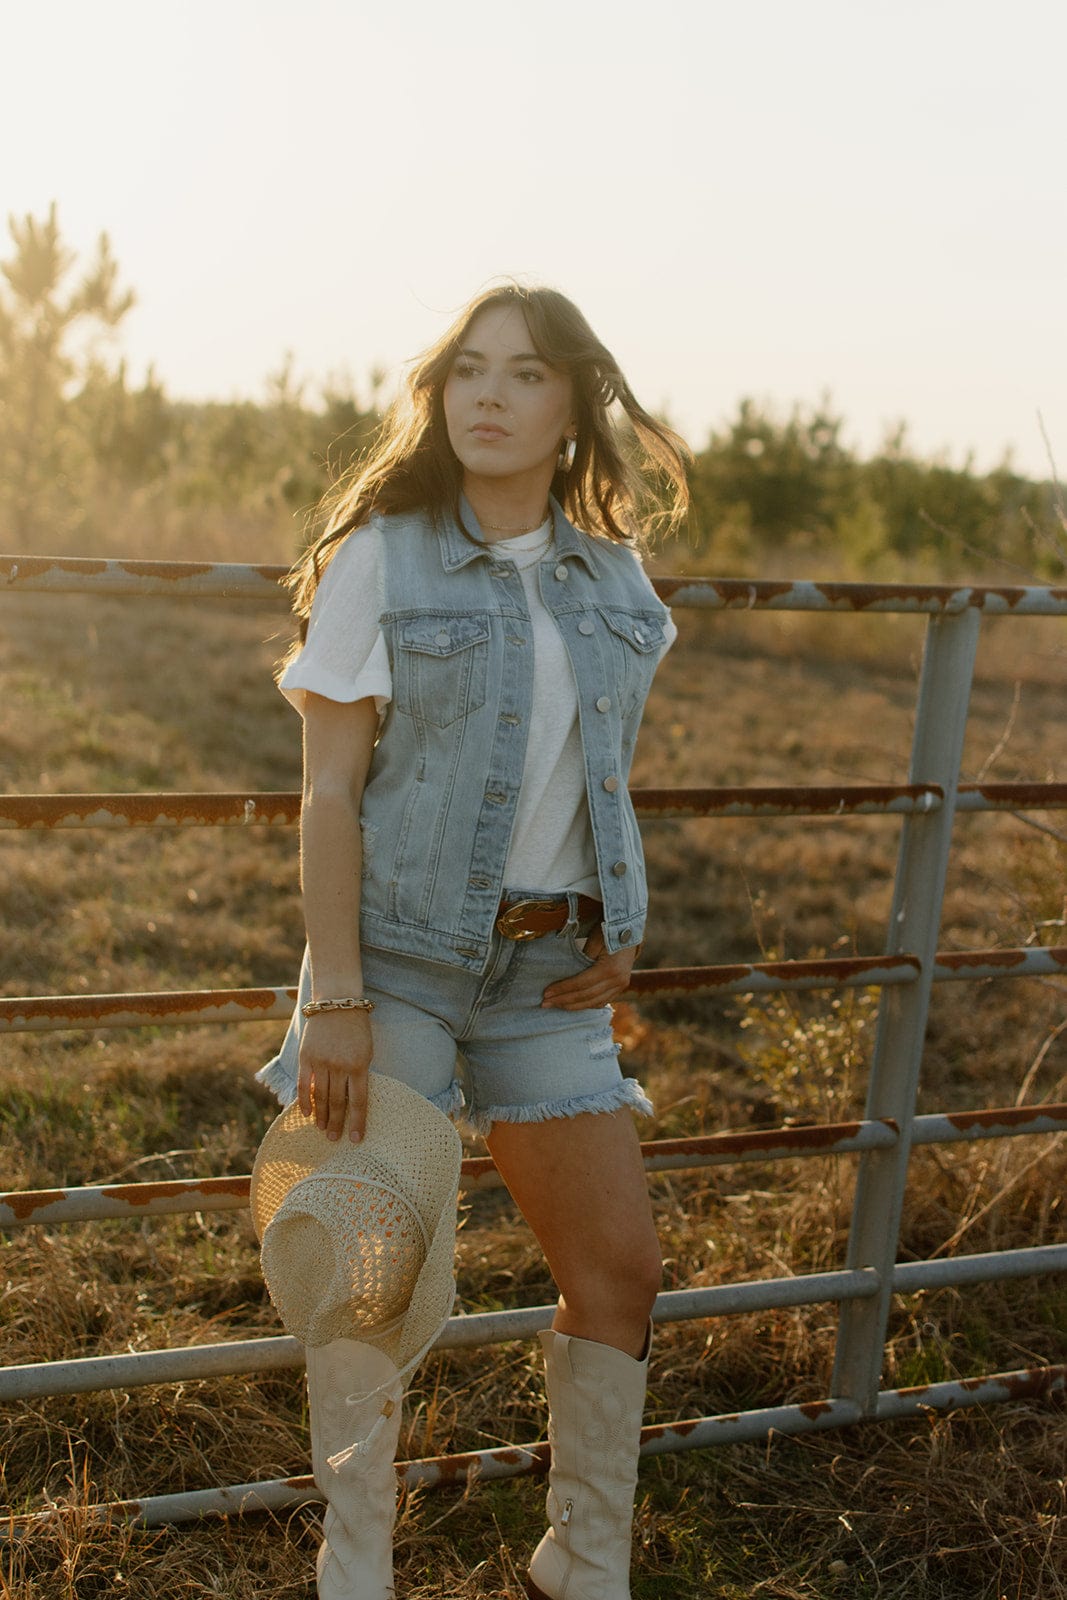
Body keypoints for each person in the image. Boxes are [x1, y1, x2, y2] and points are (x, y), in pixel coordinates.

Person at [256, 282, 689, 1600]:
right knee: (370, 1273)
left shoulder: (613, 581)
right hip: (394, 960)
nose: (488, 397)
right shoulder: (383, 555)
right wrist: (336, 999)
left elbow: (599, 775)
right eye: (468, 371)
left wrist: (623, 921)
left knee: (621, 1273)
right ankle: (357, 1571)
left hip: (550, 974)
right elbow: (329, 792)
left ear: (573, 408)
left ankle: (582, 1563)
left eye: (524, 375)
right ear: (441, 394)